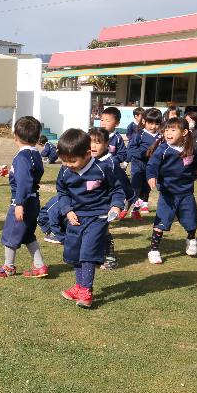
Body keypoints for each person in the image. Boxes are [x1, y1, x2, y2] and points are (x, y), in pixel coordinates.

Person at [56, 129, 125, 309]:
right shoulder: (64, 172)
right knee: (75, 253)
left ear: (87, 154)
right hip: (76, 219)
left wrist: (116, 205)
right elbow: (62, 193)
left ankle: (86, 291)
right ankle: (78, 286)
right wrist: (67, 210)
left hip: (98, 218)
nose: (67, 164)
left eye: (72, 161)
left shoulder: (103, 168)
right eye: (64, 160)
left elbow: (117, 189)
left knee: (88, 252)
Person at [0, 116, 48, 278]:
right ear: (37, 138)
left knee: (10, 234)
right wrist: (10, 173)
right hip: (34, 200)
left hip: (23, 201)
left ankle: (8, 267)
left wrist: (20, 204)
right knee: (28, 234)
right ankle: (40, 265)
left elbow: (24, 182)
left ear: (16, 136)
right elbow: (28, 176)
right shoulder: (35, 155)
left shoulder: (21, 157)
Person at [145, 118, 197, 263]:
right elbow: (152, 165)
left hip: (186, 193)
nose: (168, 133)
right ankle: (154, 250)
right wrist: (151, 176)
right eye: (166, 130)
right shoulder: (163, 149)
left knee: (191, 220)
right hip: (168, 193)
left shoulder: (192, 149)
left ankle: (191, 239)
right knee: (162, 220)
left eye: (173, 130)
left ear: (185, 132)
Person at [89, 128, 136, 270]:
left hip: (106, 203)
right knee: (92, 229)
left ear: (106, 144)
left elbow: (121, 183)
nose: (93, 146)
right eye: (90, 142)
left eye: (97, 143)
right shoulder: (88, 160)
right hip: (91, 202)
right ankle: (95, 255)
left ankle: (110, 257)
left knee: (103, 230)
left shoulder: (110, 162)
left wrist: (129, 198)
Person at [127, 108, 163, 216]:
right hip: (138, 165)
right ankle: (125, 207)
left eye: (157, 123)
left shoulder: (161, 136)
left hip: (152, 167)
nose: (153, 126)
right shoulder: (139, 134)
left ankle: (139, 208)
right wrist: (142, 154)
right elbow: (131, 149)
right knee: (136, 188)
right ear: (144, 122)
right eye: (150, 123)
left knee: (146, 188)